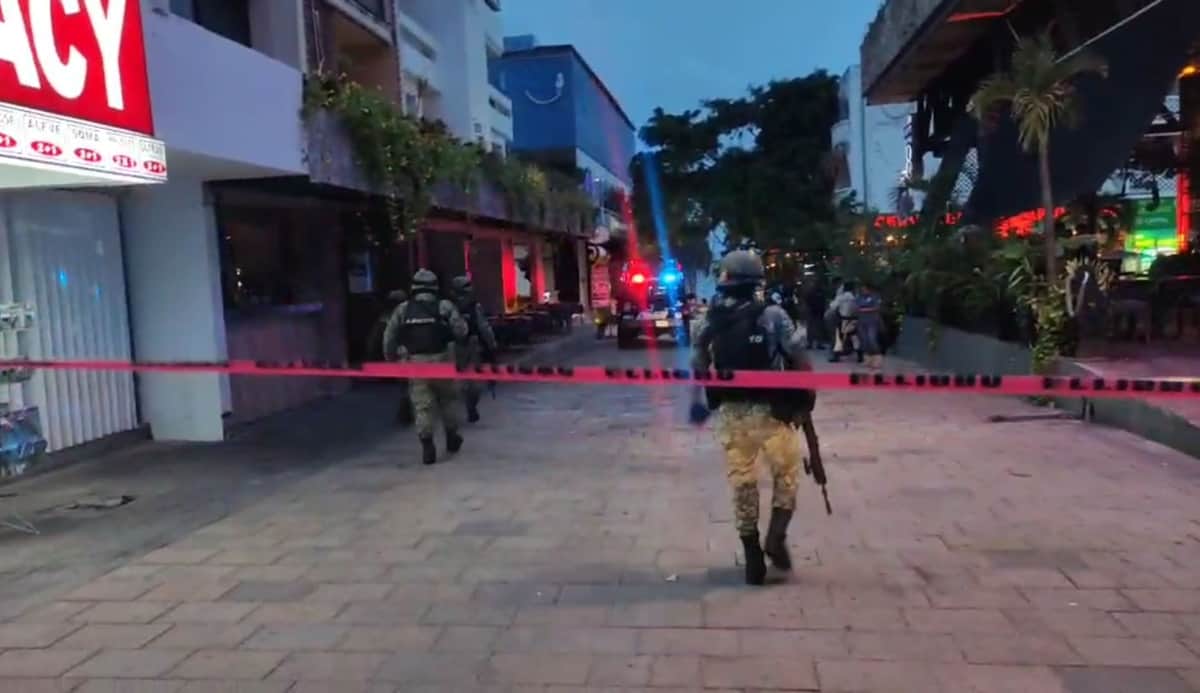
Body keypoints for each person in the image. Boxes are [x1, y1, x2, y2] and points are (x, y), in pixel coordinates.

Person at [689, 250, 814, 586]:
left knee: (742, 482)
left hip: (732, 415)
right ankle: (775, 537)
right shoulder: (774, 315)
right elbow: (799, 358)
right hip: (775, 412)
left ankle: (752, 555)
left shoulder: (706, 320)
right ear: (758, 281)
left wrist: (700, 402)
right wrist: (807, 399)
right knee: (786, 476)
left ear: (724, 280)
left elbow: (698, 367)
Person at [382, 269, 469, 465]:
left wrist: (391, 359)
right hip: (443, 359)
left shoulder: (403, 309)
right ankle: (452, 436)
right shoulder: (444, 306)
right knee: (448, 399)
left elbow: (389, 337)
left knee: (422, 405)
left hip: (416, 363)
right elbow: (461, 330)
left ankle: (427, 444)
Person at [450, 275, 498, 423]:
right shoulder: (448, 307)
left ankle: (470, 407)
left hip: (471, 345)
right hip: (454, 346)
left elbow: (483, 328)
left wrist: (491, 344)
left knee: (473, 384)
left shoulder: (474, 307)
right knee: (457, 384)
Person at [828, 281, 860, 363]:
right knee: (854, 337)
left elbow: (833, 307)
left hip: (843, 319)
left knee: (839, 338)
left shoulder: (841, 297)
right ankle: (860, 355)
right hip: (854, 319)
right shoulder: (855, 297)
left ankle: (836, 356)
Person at [856, 282, 884, 370]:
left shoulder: (875, 296)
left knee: (872, 339)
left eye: (865, 289)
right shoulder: (859, 297)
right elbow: (856, 307)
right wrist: (866, 309)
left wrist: (864, 309)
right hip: (862, 322)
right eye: (862, 289)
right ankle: (867, 359)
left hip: (872, 321)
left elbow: (876, 307)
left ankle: (877, 359)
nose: (863, 291)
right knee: (864, 340)